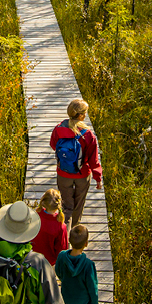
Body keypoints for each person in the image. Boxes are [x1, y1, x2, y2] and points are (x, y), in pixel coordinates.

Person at [50, 98, 102, 228]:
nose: (86, 115)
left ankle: (64, 236)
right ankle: (75, 230)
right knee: (78, 204)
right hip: (82, 175)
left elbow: (53, 145)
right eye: (85, 112)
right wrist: (98, 178)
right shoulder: (88, 135)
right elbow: (93, 160)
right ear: (80, 116)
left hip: (63, 174)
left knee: (67, 207)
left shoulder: (58, 129)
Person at [31, 189, 69, 267]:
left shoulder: (35, 216)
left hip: (32, 257)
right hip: (48, 262)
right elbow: (62, 248)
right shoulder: (60, 226)